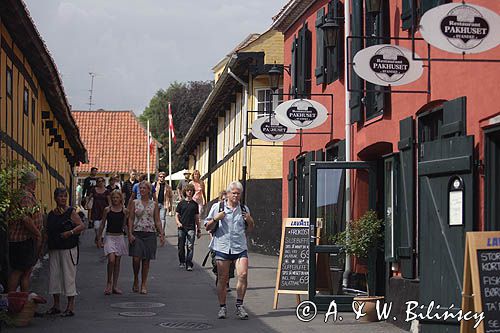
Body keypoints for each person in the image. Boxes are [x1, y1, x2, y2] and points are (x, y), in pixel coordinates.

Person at [204, 181, 255, 320]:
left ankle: (239, 305)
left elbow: (249, 230)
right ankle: (222, 307)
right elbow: (207, 227)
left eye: (238, 194)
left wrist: (250, 221)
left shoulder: (244, 209)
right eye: (233, 193)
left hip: (239, 247)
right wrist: (215, 218)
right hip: (222, 246)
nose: (236, 196)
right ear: (227, 194)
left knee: (243, 275)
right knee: (223, 278)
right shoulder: (217, 207)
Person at [45, 187, 85, 317]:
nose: (62, 198)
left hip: (68, 248)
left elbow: (81, 226)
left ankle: (70, 306)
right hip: (54, 248)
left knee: (68, 276)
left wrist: (70, 232)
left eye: (64, 196)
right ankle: (56, 305)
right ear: (55, 198)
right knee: (54, 277)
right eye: (60, 196)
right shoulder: (51, 214)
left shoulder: (70, 212)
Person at [7, 171, 43, 292]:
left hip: (23, 239)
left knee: (23, 271)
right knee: (21, 272)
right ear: (31, 183)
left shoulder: (22, 195)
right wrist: (37, 234)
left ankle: (20, 303)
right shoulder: (25, 196)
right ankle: (14, 303)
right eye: (35, 182)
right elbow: (26, 219)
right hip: (23, 239)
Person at [128, 181, 165, 294]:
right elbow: (130, 218)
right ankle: (135, 279)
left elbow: (157, 220)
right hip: (137, 232)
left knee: (146, 260)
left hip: (150, 233)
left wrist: (161, 234)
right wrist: (129, 233)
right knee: (136, 259)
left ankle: (143, 283)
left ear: (149, 190)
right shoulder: (135, 202)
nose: (142, 190)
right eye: (141, 188)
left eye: (144, 188)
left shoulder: (154, 204)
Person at [97, 190, 128, 295]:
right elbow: (102, 224)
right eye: (113, 198)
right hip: (109, 236)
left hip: (119, 237)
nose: (115, 199)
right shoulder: (107, 210)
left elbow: (124, 225)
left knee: (117, 262)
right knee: (111, 260)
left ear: (120, 199)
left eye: (117, 198)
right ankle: (109, 283)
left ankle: (115, 285)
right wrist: (99, 238)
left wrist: (130, 235)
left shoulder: (124, 211)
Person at [175, 184, 201, 271]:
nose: (189, 192)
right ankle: (182, 261)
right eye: (188, 191)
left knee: (190, 246)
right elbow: (177, 215)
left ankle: (189, 263)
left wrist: (199, 229)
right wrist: (178, 223)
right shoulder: (181, 203)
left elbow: (197, 217)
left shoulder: (195, 204)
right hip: (182, 227)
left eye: (191, 191)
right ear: (185, 192)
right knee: (181, 245)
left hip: (191, 228)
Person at [87, 177, 110, 244]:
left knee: (103, 225)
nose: (100, 183)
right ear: (97, 183)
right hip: (96, 209)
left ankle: (101, 239)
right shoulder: (94, 189)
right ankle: (97, 236)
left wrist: (110, 207)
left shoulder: (107, 191)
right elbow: (90, 197)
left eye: (102, 181)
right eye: (99, 181)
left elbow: (109, 200)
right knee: (96, 226)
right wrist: (87, 203)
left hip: (104, 209)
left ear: (104, 182)